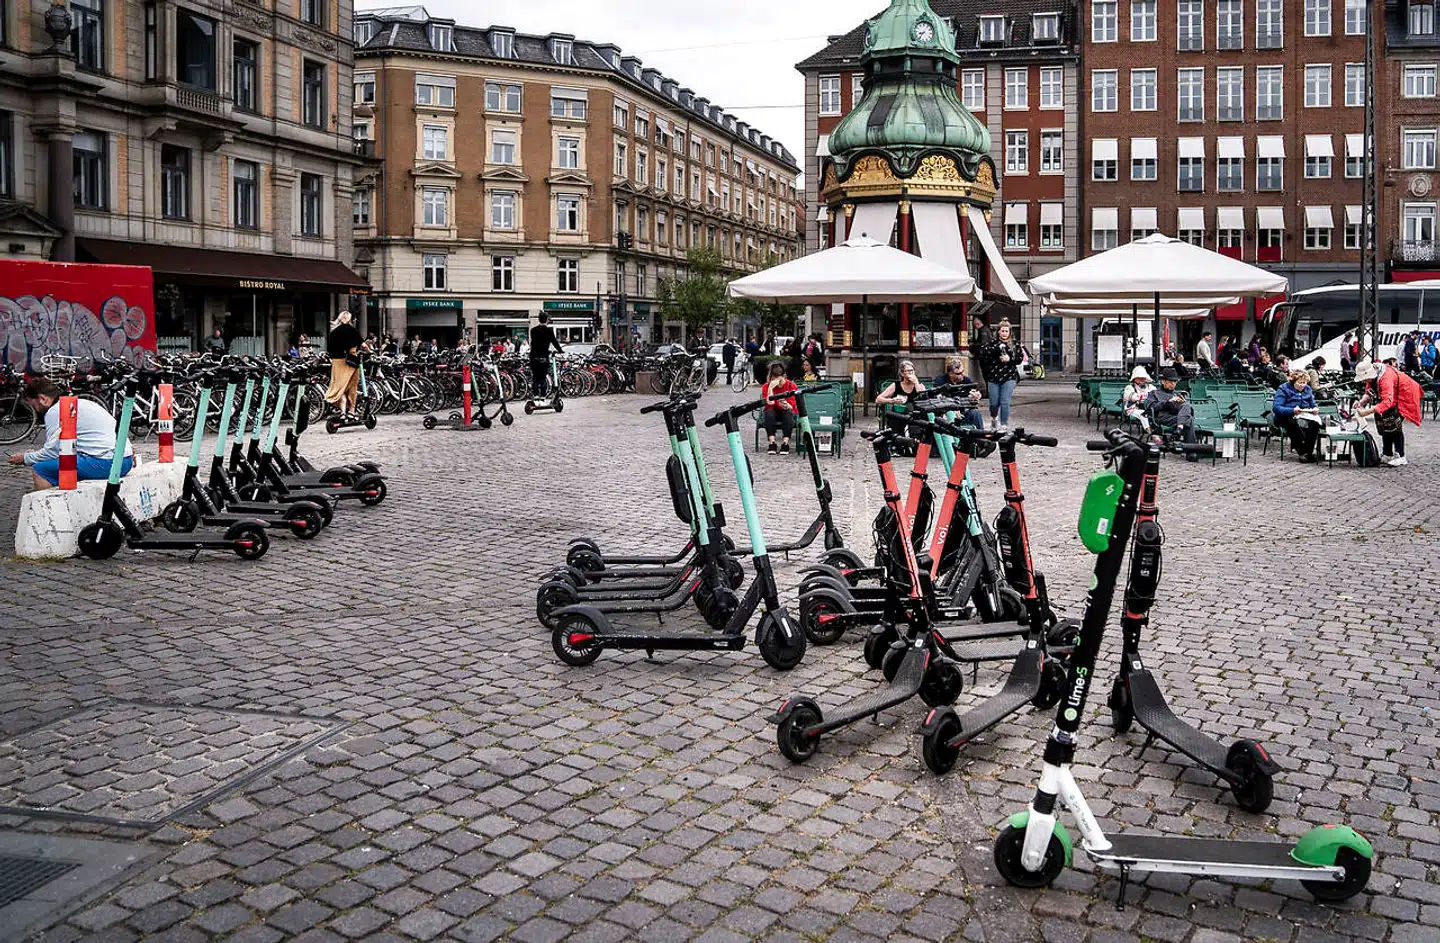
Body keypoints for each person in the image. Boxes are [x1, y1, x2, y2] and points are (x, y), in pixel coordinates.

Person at [7, 378, 134, 490]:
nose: (33, 409)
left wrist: (26, 458)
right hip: (125, 460)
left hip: (107, 464)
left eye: (33, 404)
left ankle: (51, 511)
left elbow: (53, 452)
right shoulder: (81, 402)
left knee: (41, 469)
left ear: (42, 399)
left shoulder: (56, 411)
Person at [1354, 359, 1424, 466]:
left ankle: (1400, 455)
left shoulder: (1385, 378)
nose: (1364, 381)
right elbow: (1369, 392)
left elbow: (1388, 401)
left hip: (1404, 394)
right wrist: (1361, 402)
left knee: (1394, 424)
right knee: (1383, 423)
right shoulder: (1372, 377)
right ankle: (1387, 454)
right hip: (1392, 396)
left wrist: (1367, 412)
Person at [1143, 369, 1200, 459]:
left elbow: (1188, 411)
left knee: (1186, 406)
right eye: (1170, 381)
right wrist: (1167, 402)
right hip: (1162, 418)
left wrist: (1180, 403)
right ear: (1163, 381)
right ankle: (1191, 451)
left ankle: (1179, 428)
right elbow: (1150, 408)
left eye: (1175, 382)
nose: (1173, 384)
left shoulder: (1177, 394)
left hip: (1176, 418)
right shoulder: (1154, 393)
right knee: (1188, 420)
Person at [976, 318, 1021, 431]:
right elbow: (984, 352)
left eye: (1006, 331)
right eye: (1002, 331)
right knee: (994, 403)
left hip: (1009, 376)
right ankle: (994, 418)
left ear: (1010, 332)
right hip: (993, 376)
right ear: (998, 331)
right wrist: (997, 349)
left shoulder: (1015, 344)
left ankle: (1004, 424)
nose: (1004, 333)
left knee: (1005, 401)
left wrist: (1009, 359)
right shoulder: (992, 343)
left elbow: (1019, 359)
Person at [1272, 369, 1322, 463]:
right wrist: (1292, 410)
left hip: (1304, 415)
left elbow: (1313, 403)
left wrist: (1315, 408)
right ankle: (1302, 452)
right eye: (1299, 383)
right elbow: (1276, 408)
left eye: (1304, 383)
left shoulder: (1307, 389)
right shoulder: (1283, 388)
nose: (1302, 385)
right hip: (1286, 415)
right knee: (1291, 423)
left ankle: (1308, 452)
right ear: (1293, 381)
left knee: (1314, 424)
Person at [324, 312, 363, 418]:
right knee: (351, 387)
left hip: (337, 363)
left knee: (339, 387)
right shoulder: (353, 331)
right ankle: (351, 411)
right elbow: (362, 345)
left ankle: (342, 412)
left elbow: (330, 350)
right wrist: (369, 351)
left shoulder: (333, 333)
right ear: (350, 320)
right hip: (351, 362)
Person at [760, 361, 799, 454]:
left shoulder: (791, 385)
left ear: (784, 376)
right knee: (769, 412)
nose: (778, 384)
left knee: (788, 414)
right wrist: (771, 388)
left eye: (780, 380)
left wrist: (786, 404)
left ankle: (785, 443)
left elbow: (792, 405)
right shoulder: (767, 386)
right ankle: (772, 443)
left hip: (787, 411)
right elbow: (769, 403)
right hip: (773, 411)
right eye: (775, 380)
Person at [940, 356, 986, 429]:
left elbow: (974, 393)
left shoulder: (967, 380)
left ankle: (980, 436)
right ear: (950, 373)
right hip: (947, 412)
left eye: (963, 371)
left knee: (975, 413)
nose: (962, 375)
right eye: (959, 373)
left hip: (964, 411)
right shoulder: (941, 381)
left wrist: (976, 396)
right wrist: (951, 410)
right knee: (949, 415)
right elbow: (938, 399)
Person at [529, 313, 564, 396]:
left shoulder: (533, 330)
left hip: (534, 357)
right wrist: (560, 350)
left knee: (535, 378)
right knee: (543, 378)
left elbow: (533, 343)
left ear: (539, 320)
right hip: (544, 357)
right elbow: (554, 342)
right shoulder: (549, 331)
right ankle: (543, 396)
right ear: (547, 320)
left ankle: (536, 396)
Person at [1122, 365, 1154, 430]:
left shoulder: (1150, 386)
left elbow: (1156, 394)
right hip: (1133, 409)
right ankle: (1151, 434)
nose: (1142, 379)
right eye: (1139, 377)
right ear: (1134, 378)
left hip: (1148, 408)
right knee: (1144, 414)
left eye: (1143, 377)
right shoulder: (1129, 387)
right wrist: (1147, 395)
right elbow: (1133, 397)